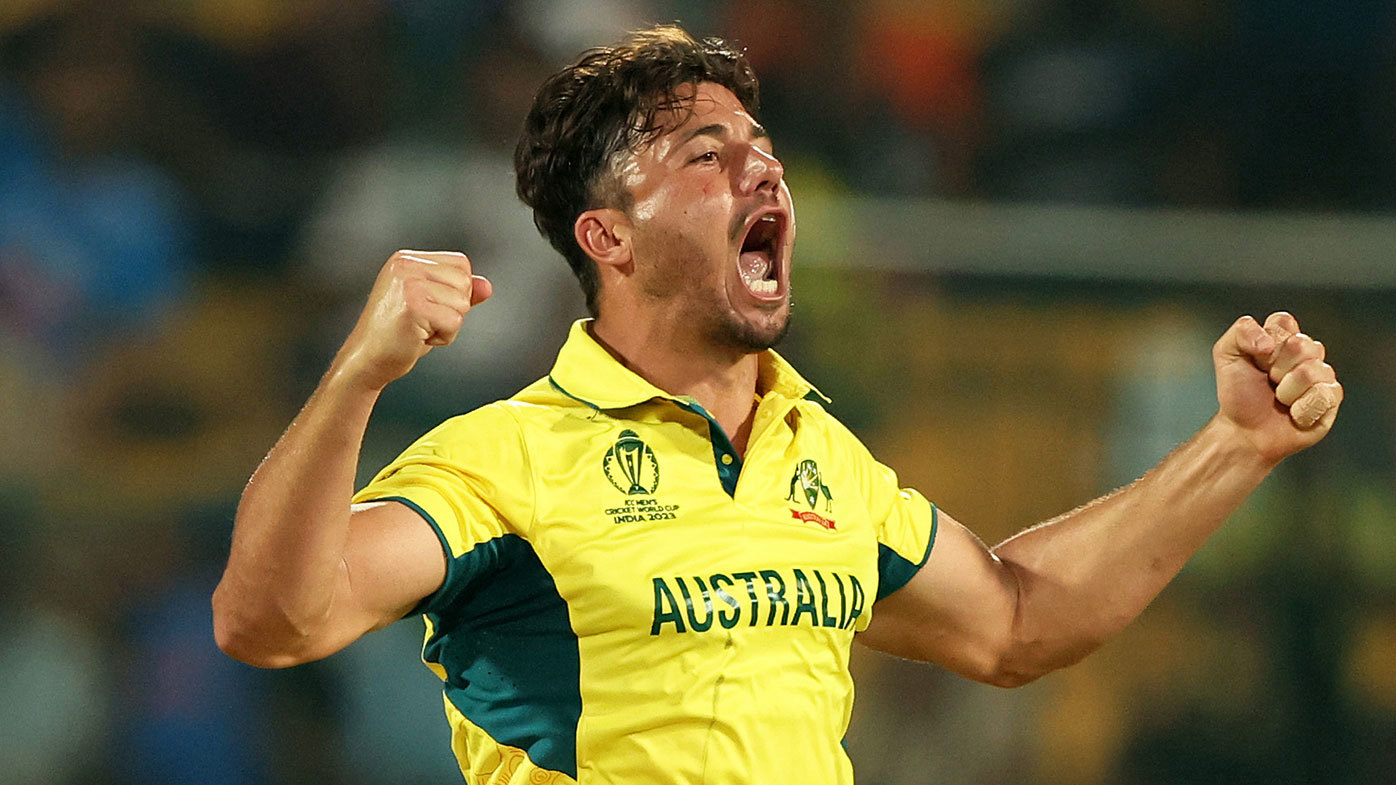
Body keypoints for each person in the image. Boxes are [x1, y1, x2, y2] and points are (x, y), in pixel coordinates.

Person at [212, 25, 1344, 784]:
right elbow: (272, 621)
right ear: (607, 236)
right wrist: (359, 375)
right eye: (707, 157)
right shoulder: (504, 461)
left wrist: (1234, 446)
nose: (763, 172)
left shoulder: (820, 452)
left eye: (763, 151)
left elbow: (1014, 621)